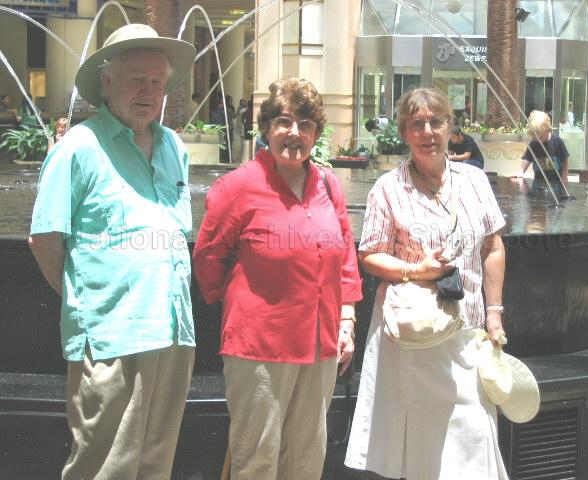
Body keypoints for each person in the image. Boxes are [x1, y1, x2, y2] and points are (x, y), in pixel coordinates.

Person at [28, 23, 197, 479]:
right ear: (107, 84)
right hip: (111, 334)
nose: (148, 91)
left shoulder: (173, 148)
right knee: (104, 465)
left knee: (155, 463)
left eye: (157, 82)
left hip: (172, 329)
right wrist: (89, 300)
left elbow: (177, 229)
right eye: (136, 79)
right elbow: (44, 240)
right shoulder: (78, 148)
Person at [193, 77, 362, 480]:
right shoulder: (236, 187)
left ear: (316, 134)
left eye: (305, 124)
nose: (294, 133)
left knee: (306, 459)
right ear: (267, 127)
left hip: (320, 345)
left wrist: (347, 319)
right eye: (284, 121)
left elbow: (345, 258)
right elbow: (208, 258)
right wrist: (237, 302)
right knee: (257, 459)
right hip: (260, 347)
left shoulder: (329, 185)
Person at [344, 87, 508, 479]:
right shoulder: (387, 188)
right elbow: (369, 256)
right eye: (417, 123)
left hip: (466, 332)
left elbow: (493, 246)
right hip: (412, 337)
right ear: (404, 132)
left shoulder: (474, 181)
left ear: (451, 128)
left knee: (470, 439)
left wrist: (495, 313)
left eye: (436, 121)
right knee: (417, 448)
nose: (427, 131)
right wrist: (417, 271)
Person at [517, 110, 569, 185]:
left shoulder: (557, 142)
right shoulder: (533, 144)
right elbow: (527, 160)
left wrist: (565, 176)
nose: (538, 140)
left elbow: (565, 160)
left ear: (548, 130)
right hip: (538, 181)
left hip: (556, 181)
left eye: (540, 137)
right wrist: (520, 172)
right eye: (535, 137)